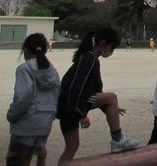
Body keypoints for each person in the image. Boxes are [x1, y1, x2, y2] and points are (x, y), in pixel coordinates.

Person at [56, 28, 139, 163]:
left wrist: (109, 108)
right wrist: (80, 113)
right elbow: (77, 87)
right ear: (103, 44)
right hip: (72, 104)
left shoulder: (87, 57)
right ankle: (118, 139)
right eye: (113, 48)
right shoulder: (89, 58)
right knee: (112, 97)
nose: (112, 52)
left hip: (66, 105)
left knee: (72, 147)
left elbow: (96, 91)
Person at [6, 33, 60, 166]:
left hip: (27, 123)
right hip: (45, 123)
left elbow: (22, 97)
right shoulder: (52, 71)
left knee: (17, 159)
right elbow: (57, 94)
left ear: (25, 50)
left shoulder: (25, 69)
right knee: (38, 156)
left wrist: (11, 115)